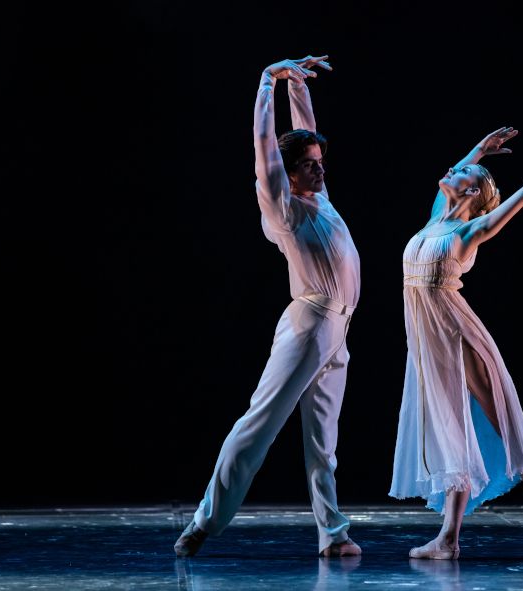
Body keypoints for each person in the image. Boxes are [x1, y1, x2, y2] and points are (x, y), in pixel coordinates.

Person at [174, 55, 362, 558]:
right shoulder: (284, 208)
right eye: (308, 166)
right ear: (288, 174)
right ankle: (201, 523)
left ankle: (333, 533)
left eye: (322, 163)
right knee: (260, 424)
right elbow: (266, 149)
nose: (319, 170)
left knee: (323, 443)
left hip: (336, 331)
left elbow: (307, 133)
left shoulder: (319, 196)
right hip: (310, 324)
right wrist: (267, 83)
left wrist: (298, 85)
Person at [389, 125, 523, 559]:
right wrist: (480, 150)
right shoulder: (436, 219)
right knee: (450, 433)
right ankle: (448, 538)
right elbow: (457, 177)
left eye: (462, 171)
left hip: (458, 335)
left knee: (503, 419)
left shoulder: (468, 232)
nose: (451, 168)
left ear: (473, 192)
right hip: (428, 345)